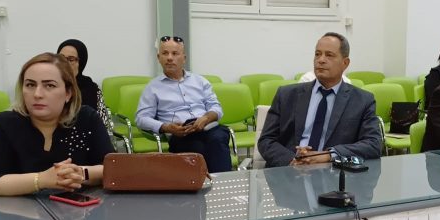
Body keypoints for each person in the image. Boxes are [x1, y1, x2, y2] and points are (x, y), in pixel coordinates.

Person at [0, 53, 114, 195]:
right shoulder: (3, 124)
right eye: (30, 85)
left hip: (79, 205)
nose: (37, 94)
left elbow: (113, 167)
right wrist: (41, 180)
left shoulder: (87, 118)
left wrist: (80, 173)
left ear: (68, 93)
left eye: (49, 85)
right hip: (17, 207)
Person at [258, 33, 382, 168]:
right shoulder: (287, 95)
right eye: (317, 54)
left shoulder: (362, 100)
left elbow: (373, 144)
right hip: (289, 171)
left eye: (329, 55)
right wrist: (292, 160)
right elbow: (266, 140)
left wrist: (328, 155)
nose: (321, 60)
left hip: (332, 171)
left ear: (345, 63)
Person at [136, 36, 232, 172]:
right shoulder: (152, 88)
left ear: (184, 58)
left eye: (175, 53)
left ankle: (221, 182)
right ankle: (212, 182)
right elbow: (141, 118)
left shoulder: (200, 81)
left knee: (218, 138)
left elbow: (216, 107)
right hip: (180, 134)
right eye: (165, 53)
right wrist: (166, 127)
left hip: (207, 127)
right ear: (158, 58)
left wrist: (206, 118)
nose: (170, 58)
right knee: (198, 149)